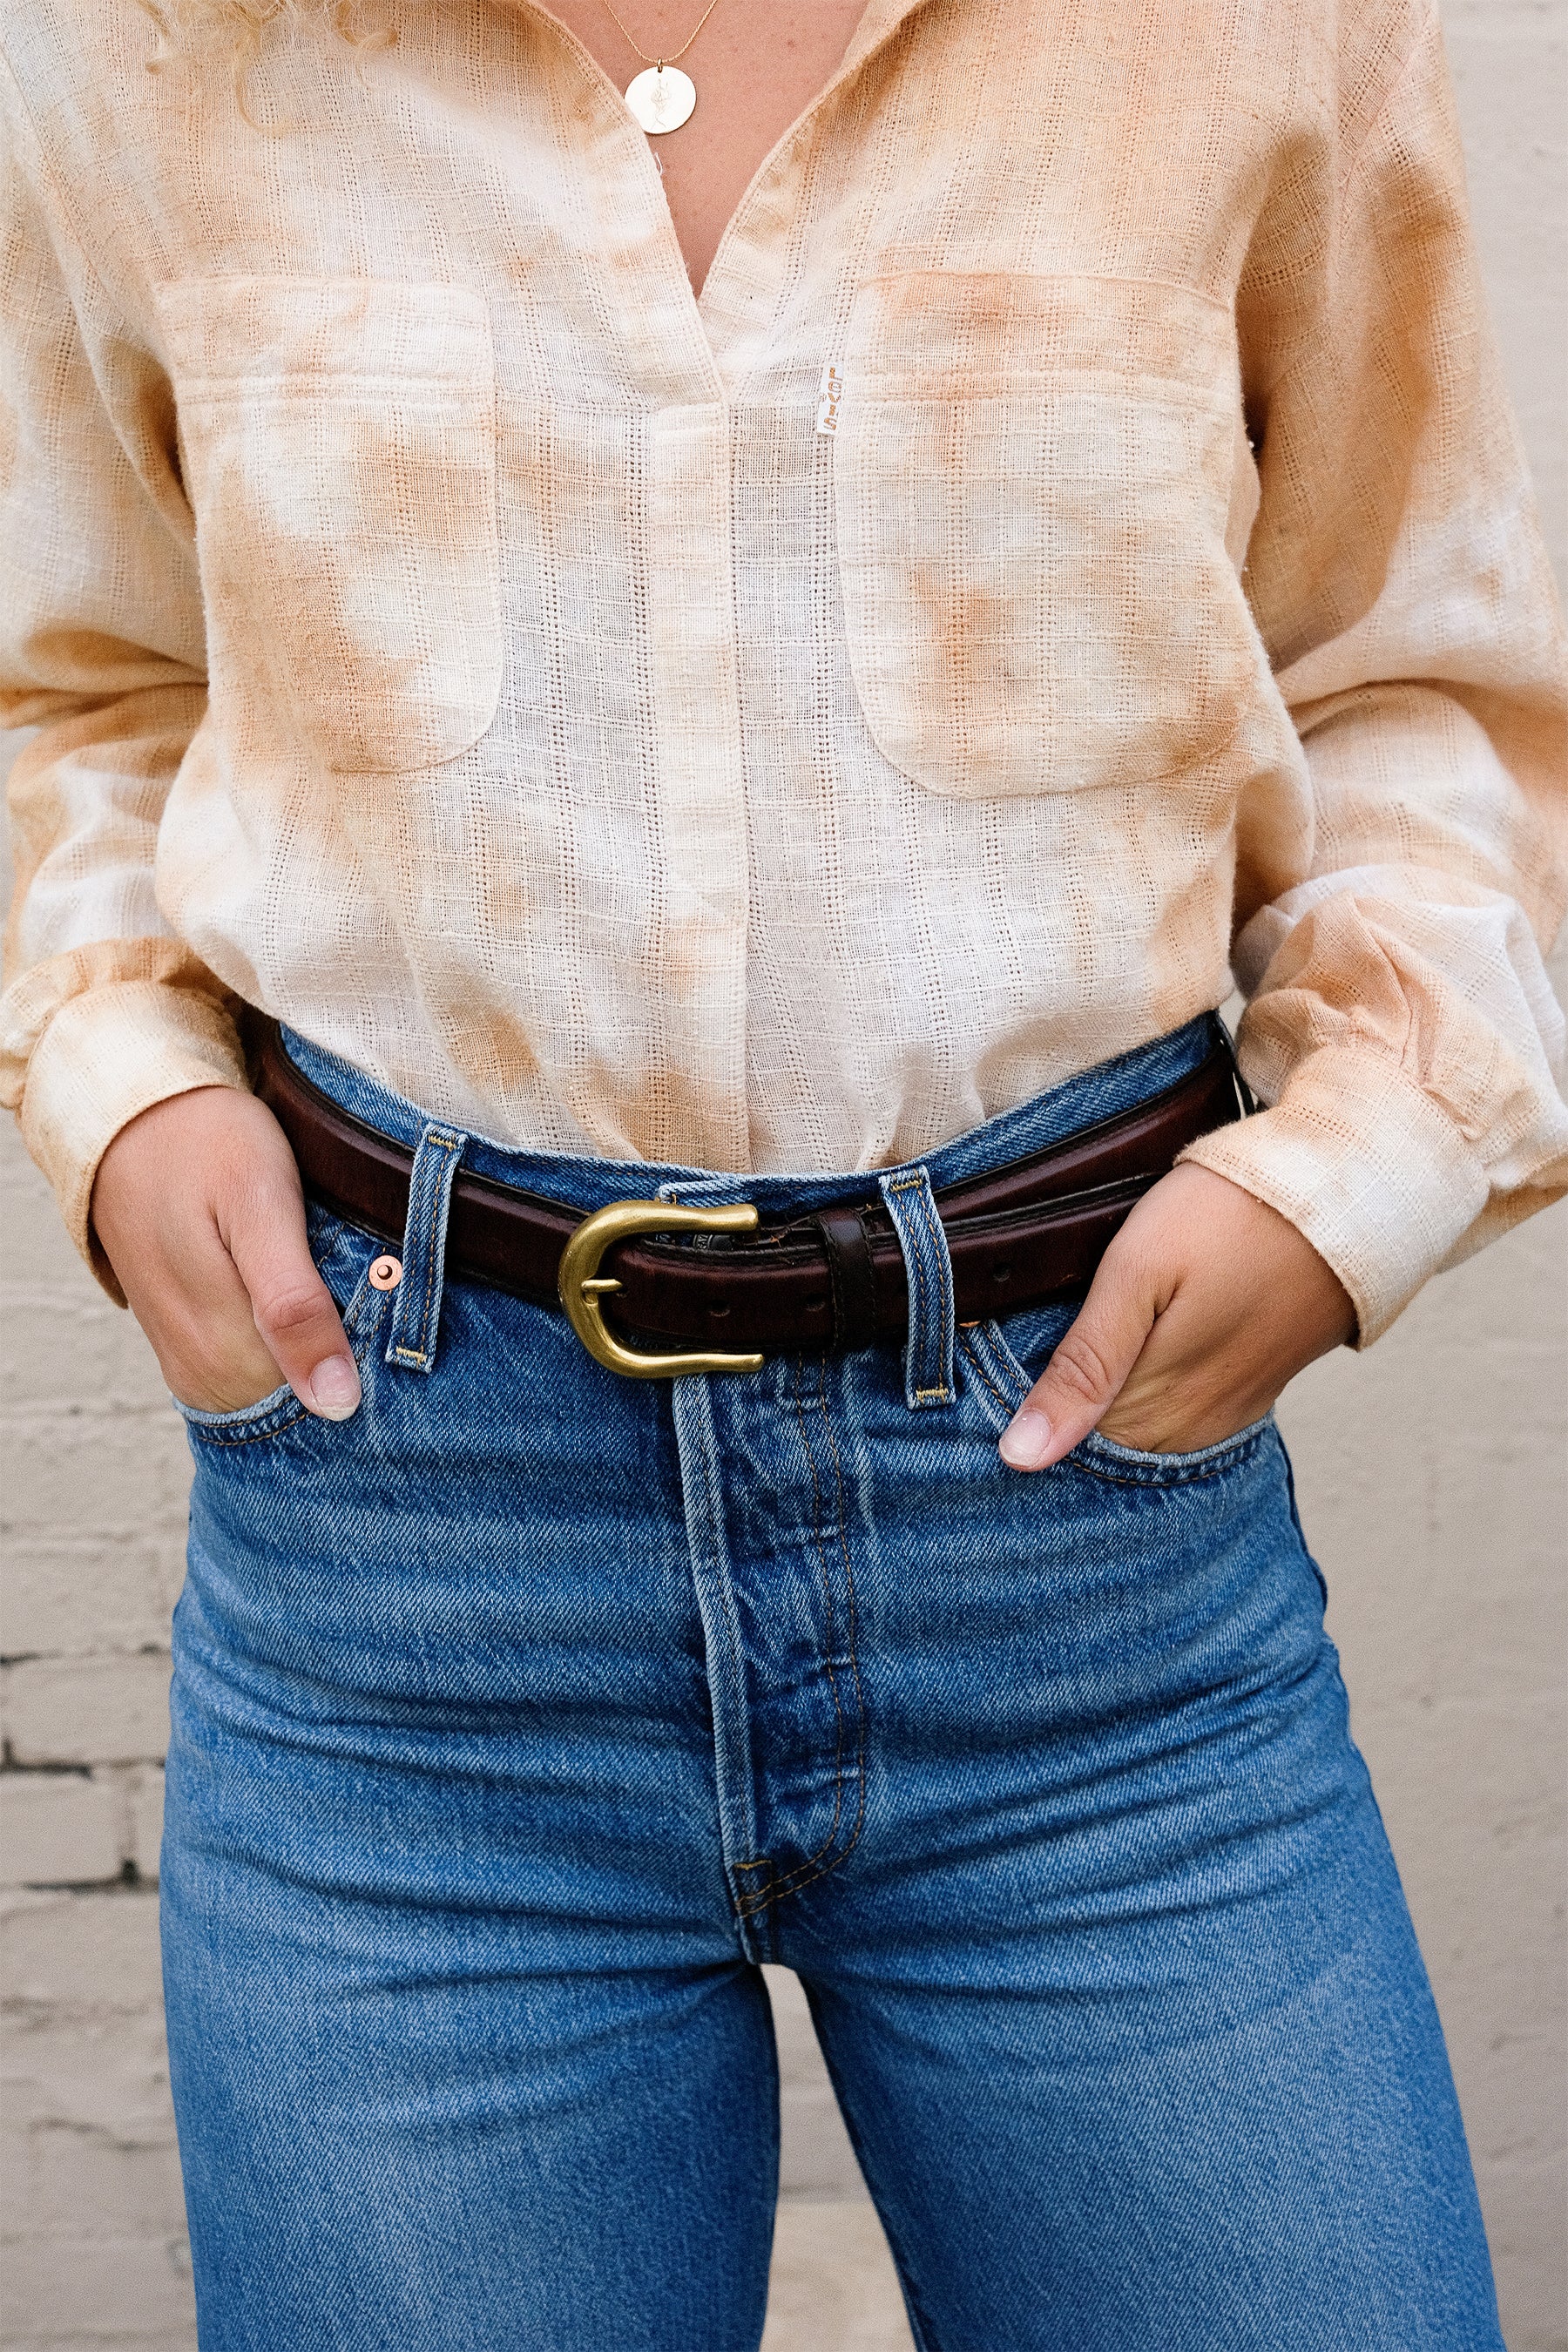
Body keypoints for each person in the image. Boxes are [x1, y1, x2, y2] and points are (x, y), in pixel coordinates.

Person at [3, 0, 1564, 2343]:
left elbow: (1415, 675)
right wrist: (119, 1066)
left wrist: (1354, 1163)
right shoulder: (157, 41)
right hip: (411, 1597)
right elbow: (83, 677)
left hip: (1086, 1580)